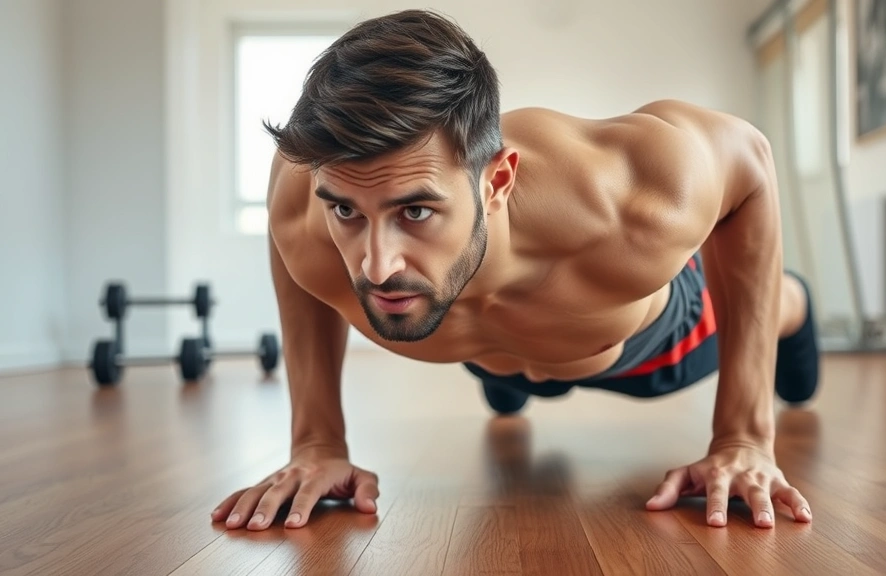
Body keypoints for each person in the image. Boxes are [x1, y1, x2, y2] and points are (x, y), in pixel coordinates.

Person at [211, 8, 819, 533]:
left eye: (416, 210)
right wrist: (317, 443)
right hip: (485, 342)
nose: (375, 265)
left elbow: (752, 162)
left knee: (771, 304)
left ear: (496, 181)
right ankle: (509, 378)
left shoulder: (633, 194)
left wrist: (743, 436)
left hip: (645, 345)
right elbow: (305, 261)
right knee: (503, 375)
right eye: (346, 210)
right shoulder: (304, 193)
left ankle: (795, 309)